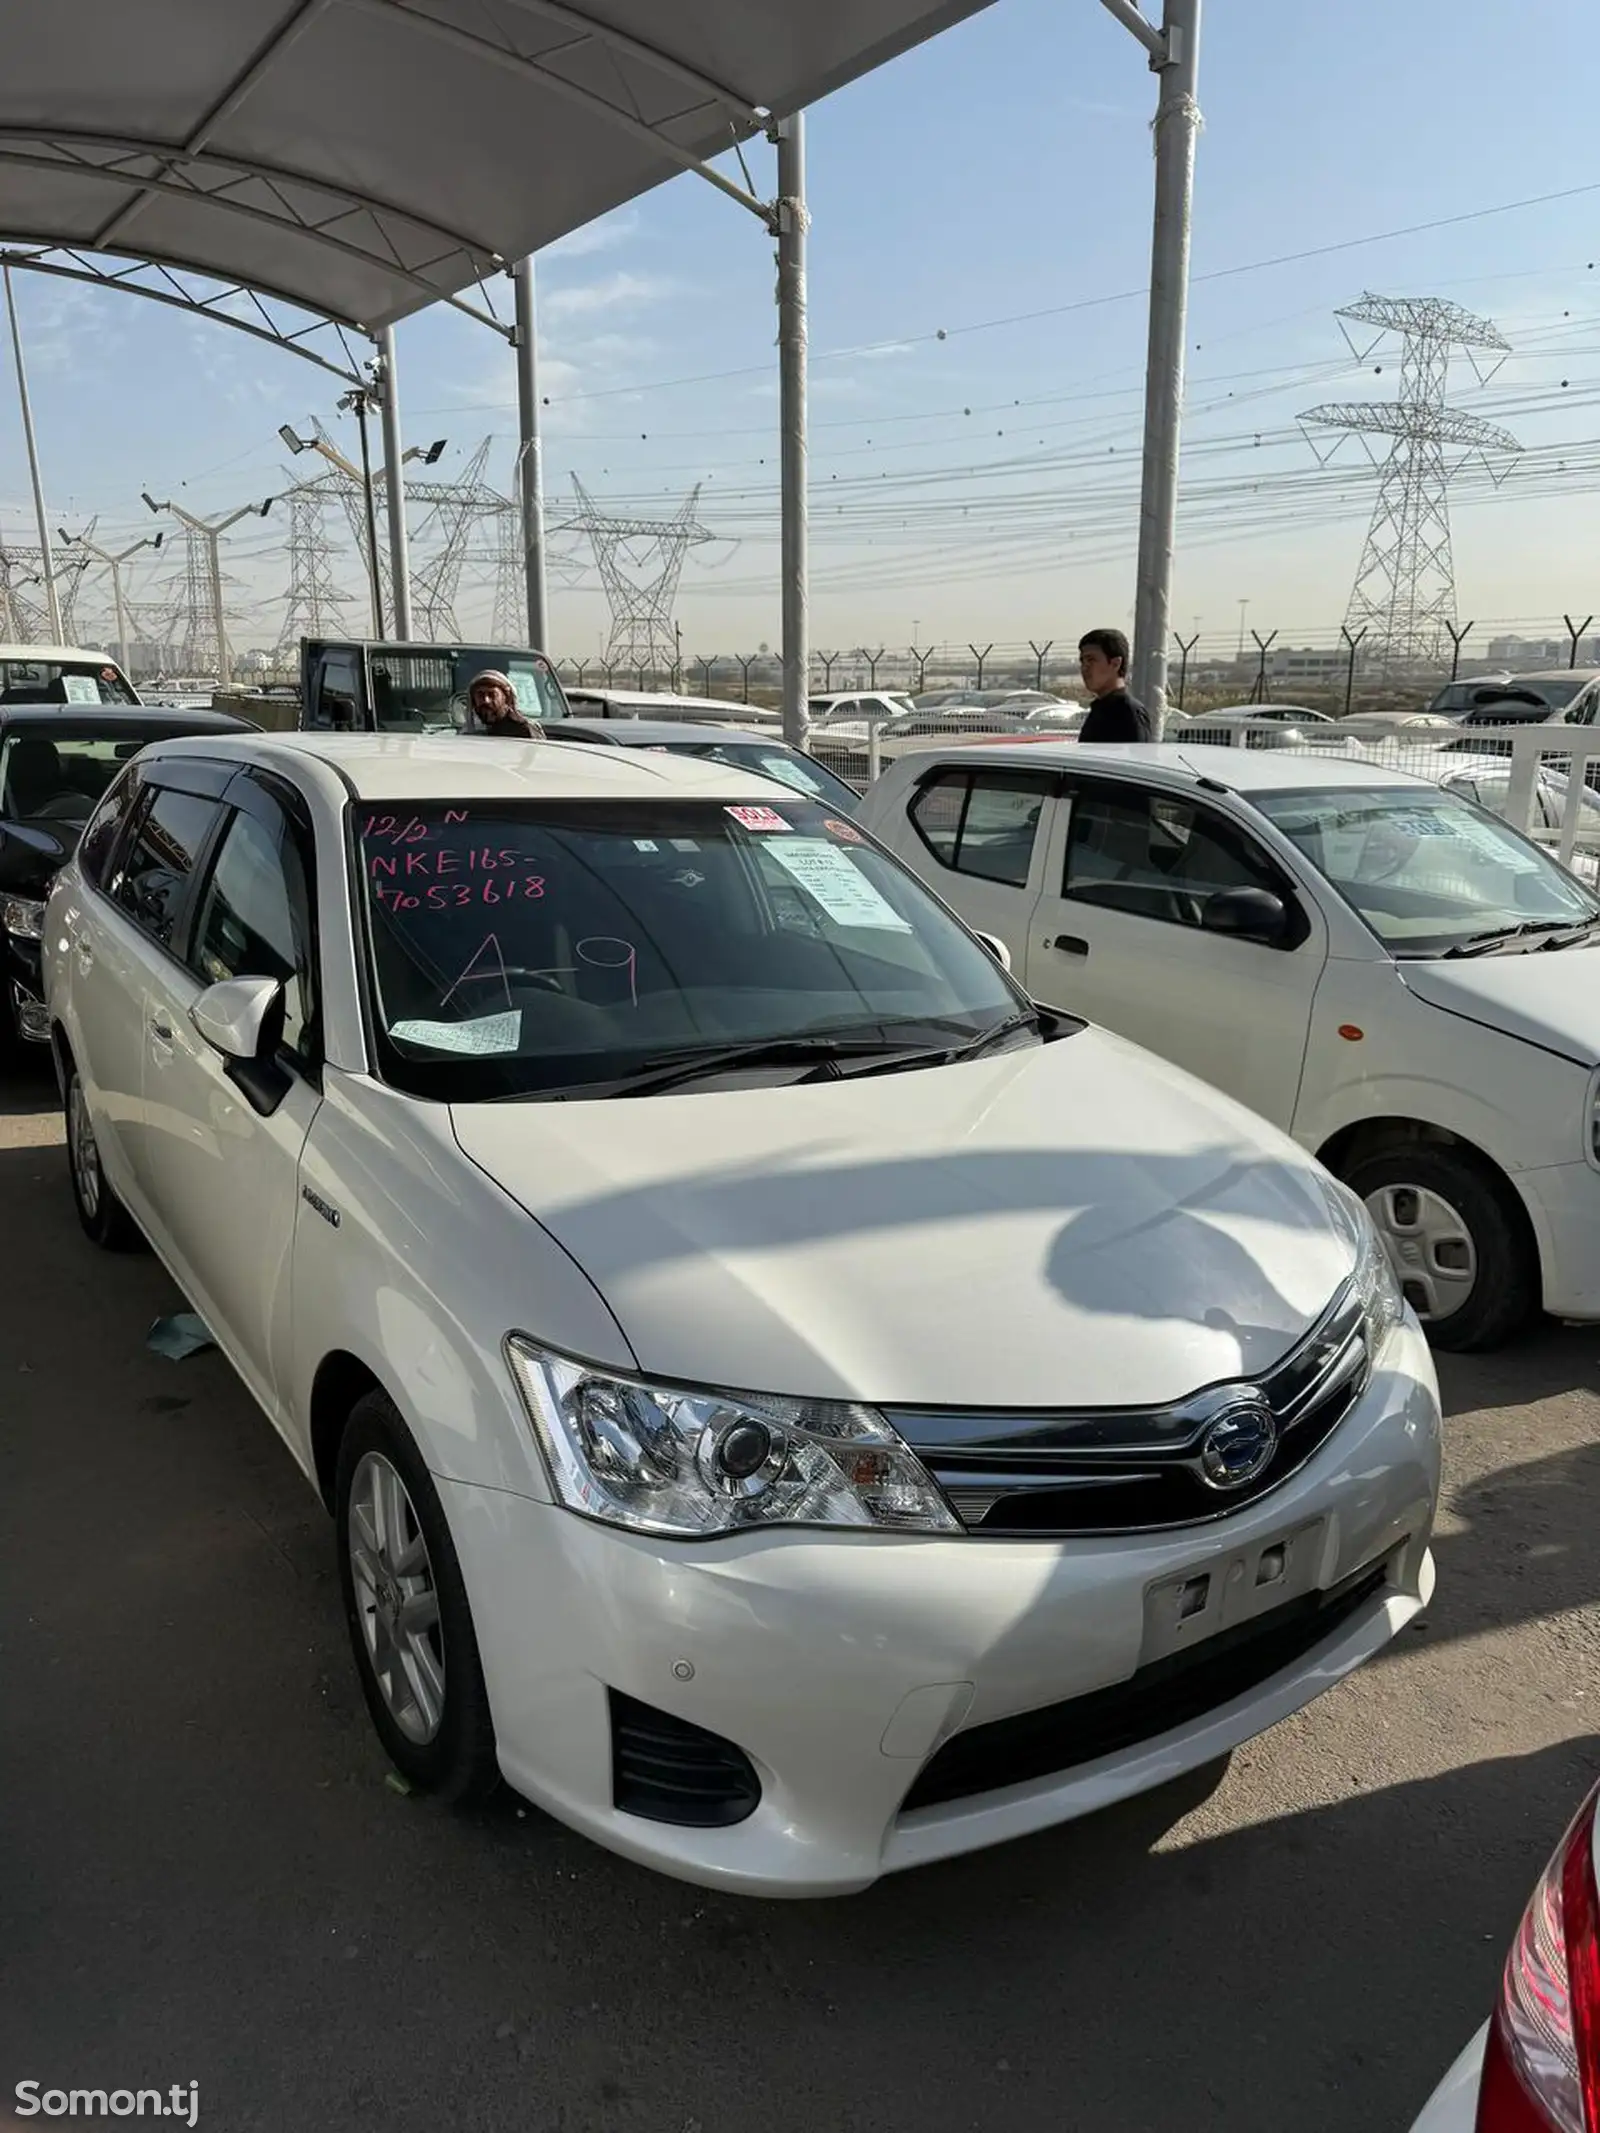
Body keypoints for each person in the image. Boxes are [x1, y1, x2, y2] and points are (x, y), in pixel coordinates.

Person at [1077, 628, 1153, 743]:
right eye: (1082, 661)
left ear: (1115, 663)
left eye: (1091, 660)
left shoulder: (1129, 713)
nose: (1084, 668)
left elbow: (1136, 758)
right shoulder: (1100, 709)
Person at [467, 669, 542, 738]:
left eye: (492, 694)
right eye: (480, 695)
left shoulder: (524, 729)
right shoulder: (470, 731)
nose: (486, 700)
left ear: (506, 698)